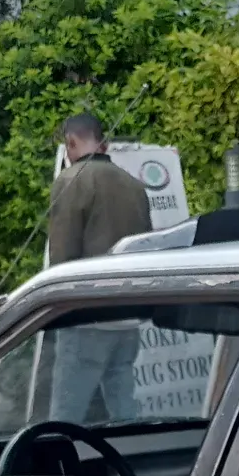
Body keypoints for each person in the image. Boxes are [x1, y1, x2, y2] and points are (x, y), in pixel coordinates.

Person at [46, 113, 153, 425]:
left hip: (86, 319)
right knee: (124, 414)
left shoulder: (71, 181)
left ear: (71, 143)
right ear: (102, 142)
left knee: (65, 418)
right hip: (128, 318)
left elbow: (62, 259)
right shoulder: (135, 187)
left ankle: (56, 473)